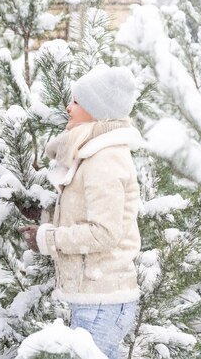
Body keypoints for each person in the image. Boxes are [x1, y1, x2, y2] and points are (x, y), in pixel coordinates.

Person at [19, 64, 142, 359]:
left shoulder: (104, 159)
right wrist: (44, 217)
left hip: (101, 301)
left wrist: (47, 239)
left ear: (96, 109)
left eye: (76, 101)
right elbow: (86, 215)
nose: (68, 107)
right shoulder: (93, 152)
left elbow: (104, 233)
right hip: (95, 297)